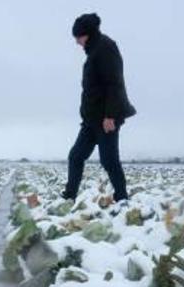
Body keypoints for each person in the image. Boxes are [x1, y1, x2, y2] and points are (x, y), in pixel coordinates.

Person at [62, 12, 136, 202]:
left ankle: (122, 199)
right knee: (76, 156)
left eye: (78, 37)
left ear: (87, 34)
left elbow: (114, 83)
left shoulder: (105, 48)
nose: (77, 42)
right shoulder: (94, 50)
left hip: (106, 119)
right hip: (91, 120)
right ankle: (69, 196)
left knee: (109, 161)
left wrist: (110, 116)